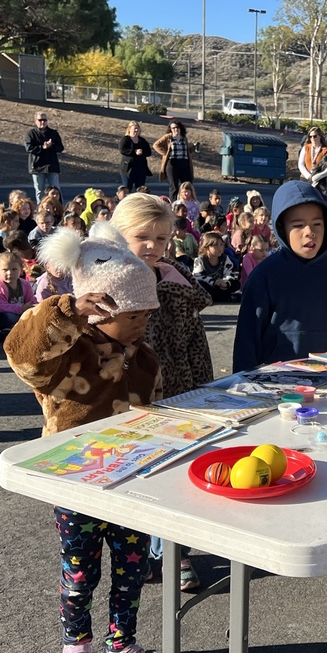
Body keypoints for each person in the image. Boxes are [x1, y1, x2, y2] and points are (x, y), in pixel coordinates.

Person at [4, 227, 164, 653]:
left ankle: (122, 645)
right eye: (133, 315)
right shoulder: (67, 354)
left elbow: (156, 415)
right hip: (76, 483)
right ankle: (75, 644)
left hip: (131, 480)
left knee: (132, 567)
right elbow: (23, 354)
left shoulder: (145, 358)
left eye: (146, 315)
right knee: (79, 570)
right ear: (101, 309)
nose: (141, 325)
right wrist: (66, 311)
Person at [102, 192, 213, 591]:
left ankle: (176, 553)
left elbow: (194, 344)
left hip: (177, 395)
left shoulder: (176, 284)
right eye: (142, 237)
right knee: (137, 478)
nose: (152, 246)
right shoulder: (103, 284)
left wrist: (203, 389)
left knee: (175, 475)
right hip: (125, 399)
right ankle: (146, 550)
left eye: (162, 239)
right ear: (119, 236)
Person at [232, 180, 327, 372]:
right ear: (282, 229)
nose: (310, 232)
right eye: (298, 225)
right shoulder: (265, 276)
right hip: (278, 380)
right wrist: (242, 382)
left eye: (317, 224)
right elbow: (247, 339)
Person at [0, 251, 37, 333]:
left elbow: (30, 300)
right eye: (5, 270)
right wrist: (21, 308)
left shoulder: (25, 285)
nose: (10, 273)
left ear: (21, 270)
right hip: (0, 316)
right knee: (8, 317)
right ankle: (9, 329)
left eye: (14, 269)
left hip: (20, 313)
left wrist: (33, 306)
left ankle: (20, 327)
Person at [25, 111, 64, 198]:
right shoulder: (31, 134)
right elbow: (28, 148)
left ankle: (58, 208)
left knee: (56, 190)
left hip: (52, 166)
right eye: (40, 120)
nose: (42, 122)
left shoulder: (53, 133)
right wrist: (42, 147)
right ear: (35, 121)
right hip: (37, 166)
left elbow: (60, 147)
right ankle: (40, 209)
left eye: (44, 120)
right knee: (39, 191)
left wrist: (51, 146)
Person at [193, 231, 240, 302]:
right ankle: (222, 297)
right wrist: (213, 282)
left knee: (236, 283)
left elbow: (229, 273)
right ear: (207, 247)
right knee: (199, 284)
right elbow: (197, 276)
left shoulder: (225, 259)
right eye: (216, 245)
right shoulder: (200, 260)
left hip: (221, 286)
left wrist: (225, 283)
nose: (220, 248)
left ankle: (222, 296)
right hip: (209, 286)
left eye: (221, 245)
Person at [153, 119, 193, 198]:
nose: (175, 129)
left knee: (186, 185)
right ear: (170, 129)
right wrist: (165, 153)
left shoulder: (184, 138)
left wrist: (192, 147)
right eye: (173, 128)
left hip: (184, 163)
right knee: (174, 187)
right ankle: (174, 205)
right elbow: (156, 145)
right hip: (172, 163)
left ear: (180, 128)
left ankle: (186, 203)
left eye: (177, 127)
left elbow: (187, 151)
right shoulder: (168, 137)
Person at [298, 127, 327, 205]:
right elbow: (300, 164)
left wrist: (317, 177)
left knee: (320, 202)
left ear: (320, 136)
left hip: (320, 181)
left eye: (315, 136)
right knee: (305, 202)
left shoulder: (326, 151)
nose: (312, 138)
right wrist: (309, 177)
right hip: (305, 179)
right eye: (310, 136)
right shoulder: (306, 148)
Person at [119, 120, 152, 192]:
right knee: (127, 190)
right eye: (135, 128)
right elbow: (122, 150)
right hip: (128, 169)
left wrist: (142, 152)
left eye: (138, 128)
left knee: (141, 190)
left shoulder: (142, 141)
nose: (136, 130)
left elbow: (149, 152)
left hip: (140, 169)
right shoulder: (125, 139)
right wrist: (134, 152)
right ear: (129, 129)